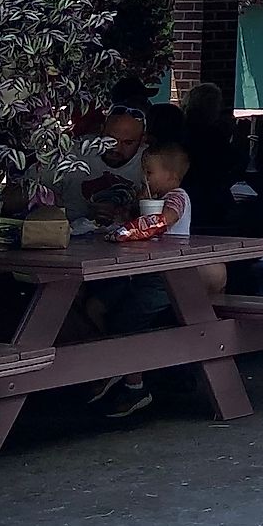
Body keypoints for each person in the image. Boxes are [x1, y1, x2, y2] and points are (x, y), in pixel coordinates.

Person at [90, 143, 214, 419]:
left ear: (172, 177)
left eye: (150, 172)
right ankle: (111, 365)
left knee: (127, 321)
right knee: (97, 304)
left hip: (167, 276)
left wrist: (135, 226)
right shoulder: (151, 197)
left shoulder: (177, 198)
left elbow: (164, 221)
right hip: (142, 272)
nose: (144, 177)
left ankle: (133, 383)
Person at [179, 80, 258, 234]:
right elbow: (234, 167)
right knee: (255, 212)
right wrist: (240, 140)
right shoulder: (210, 135)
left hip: (189, 199)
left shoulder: (182, 130)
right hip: (209, 204)